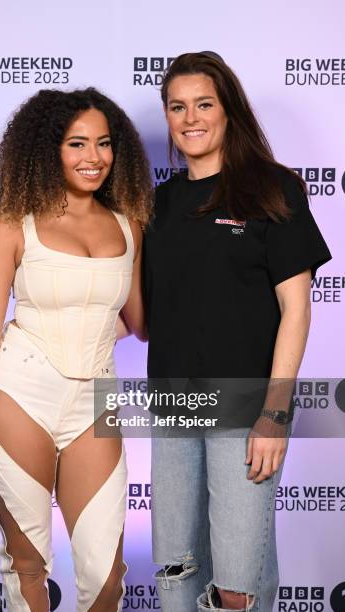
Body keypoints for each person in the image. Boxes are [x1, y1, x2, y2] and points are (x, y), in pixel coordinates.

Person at [143, 52, 332, 611]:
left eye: (204, 104)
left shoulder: (273, 189)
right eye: (177, 107)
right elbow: (147, 314)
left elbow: (296, 310)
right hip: (174, 406)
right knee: (177, 571)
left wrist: (274, 413)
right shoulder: (159, 204)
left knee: (237, 583)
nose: (190, 118)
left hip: (247, 408)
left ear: (229, 111)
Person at [0, 87, 152, 612]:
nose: (94, 158)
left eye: (104, 144)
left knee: (106, 576)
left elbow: (139, 324)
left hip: (95, 403)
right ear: (48, 150)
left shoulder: (129, 226)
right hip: (20, 395)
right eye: (77, 144)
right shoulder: (13, 226)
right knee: (28, 565)